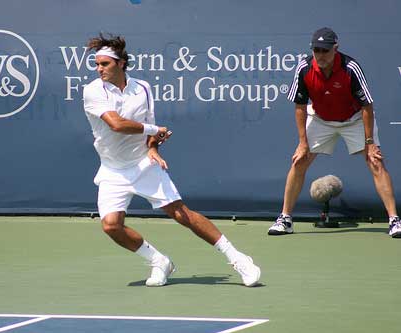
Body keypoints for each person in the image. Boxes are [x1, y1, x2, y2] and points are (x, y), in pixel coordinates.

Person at [82, 33, 261, 287]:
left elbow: (150, 123)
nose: (99, 69)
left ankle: (239, 259)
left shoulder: (142, 88)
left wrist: (153, 148)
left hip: (143, 163)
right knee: (111, 226)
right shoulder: (92, 91)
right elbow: (117, 125)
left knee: (181, 214)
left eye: (105, 64)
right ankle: (159, 261)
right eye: (97, 64)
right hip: (113, 169)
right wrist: (153, 132)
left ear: (121, 63)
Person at [268, 27, 400, 238]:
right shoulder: (304, 67)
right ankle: (285, 219)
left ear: (335, 49)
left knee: (375, 161)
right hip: (320, 119)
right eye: (316, 50)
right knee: (299, 161)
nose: (320, 55)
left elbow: (367, 106)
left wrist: (369, 142)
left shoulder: (351, 68)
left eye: (324, 50)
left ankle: (394, 220)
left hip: (354, 119)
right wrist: (303, 142)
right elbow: (300, 106)